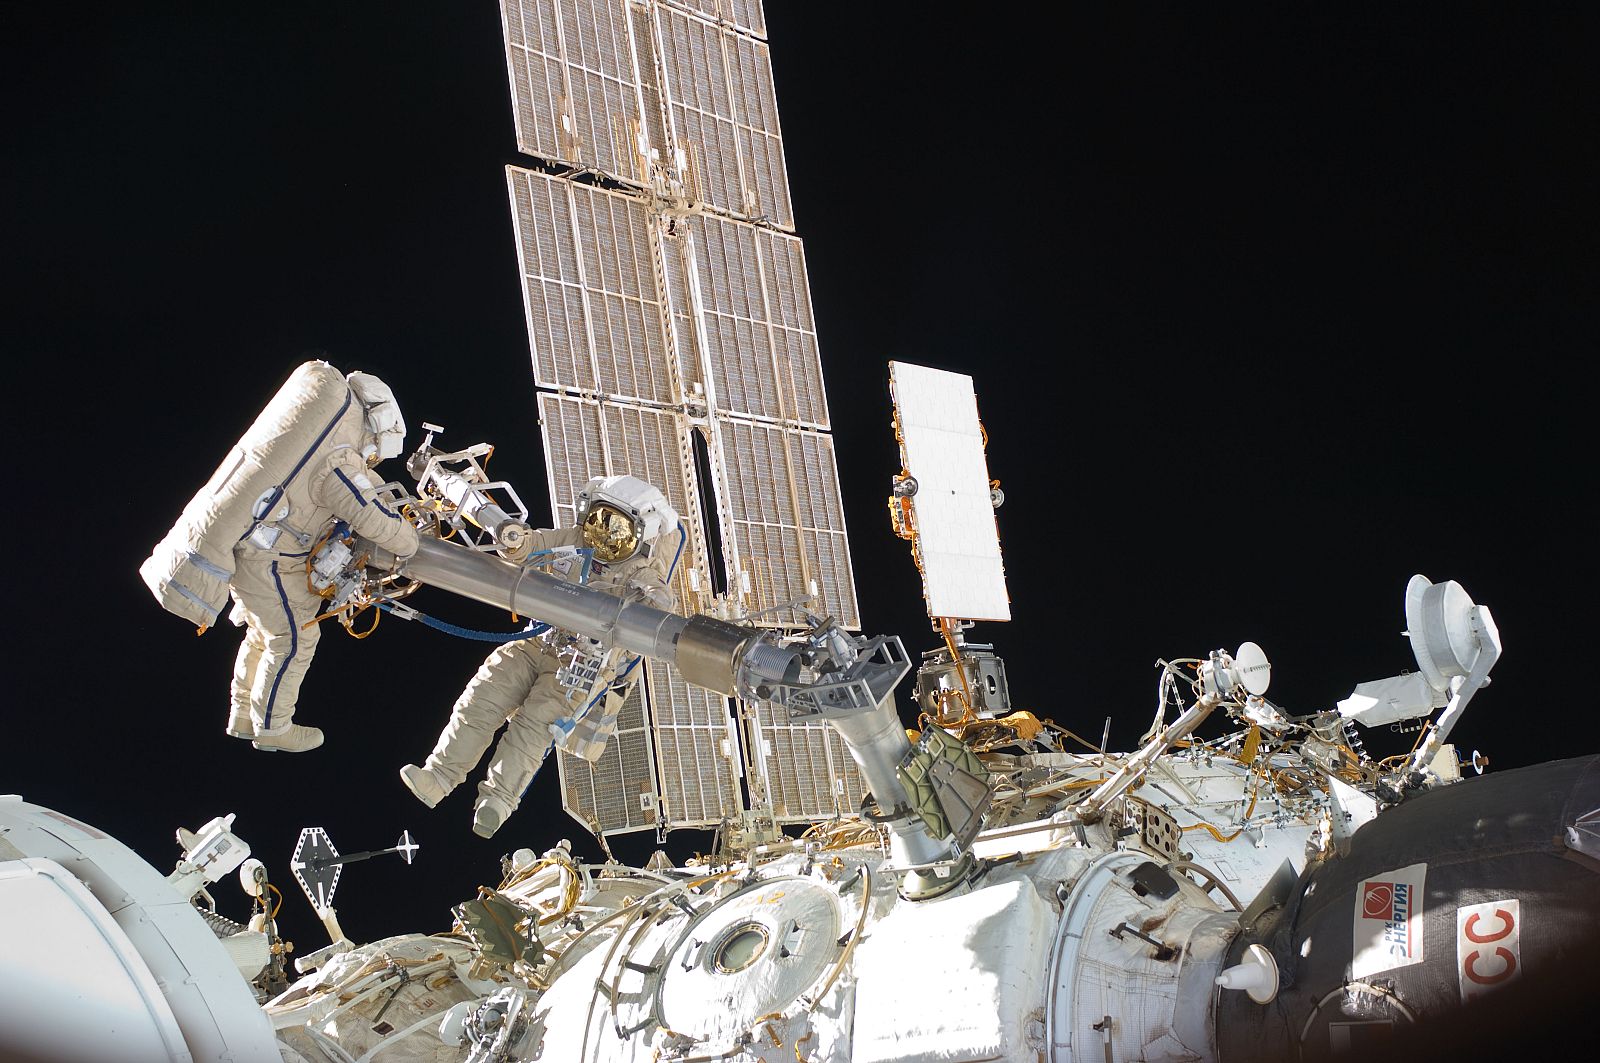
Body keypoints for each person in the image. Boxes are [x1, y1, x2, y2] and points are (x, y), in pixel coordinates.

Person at [140, 360, 421, 752]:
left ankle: (243, 715)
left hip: (259, 556)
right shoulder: (338, 459)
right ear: (376, 430)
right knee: (294, 639)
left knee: (263, 634)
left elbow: (355, 483)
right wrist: (412, 542)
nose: (371, 457)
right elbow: (370, 514)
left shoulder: (325, 443)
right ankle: (273, 726)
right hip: (270, 564)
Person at [400, 474, 681, 837]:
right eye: (599, 520)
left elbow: (662, 603)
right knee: (483, 695)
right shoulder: (573, 541)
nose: (603, 534)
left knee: (534, 727)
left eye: (616, 528)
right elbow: (532, 545)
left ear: (641, 534)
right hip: (540, 642)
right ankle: (439, 776)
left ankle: (497, 800)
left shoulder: (640, 573)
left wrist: (656, 602)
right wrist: (514, 541)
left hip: (582, 665)